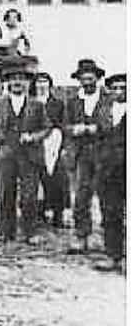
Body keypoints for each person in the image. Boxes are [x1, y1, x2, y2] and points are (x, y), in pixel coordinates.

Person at [0, 65, 53, 245]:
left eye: (21, 78)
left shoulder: (37, 104)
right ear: (7, 82)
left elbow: (47, 128)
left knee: (29, 196)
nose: (17, 82)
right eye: (13, 78)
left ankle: (30, 232)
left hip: (30, 156)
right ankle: (8, 233)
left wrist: (33, 137)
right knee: (6, 193)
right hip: (6, 155)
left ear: (27, 82)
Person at [65, 59, 113, 254]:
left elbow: (116, 124)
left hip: (105, 153)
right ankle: (81, 235)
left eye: (90, 77)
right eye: (83, 78)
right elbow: (64, 125)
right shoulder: (73, 101)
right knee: (81, 196)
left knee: (106, 196)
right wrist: (74, 129)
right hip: (82, 154)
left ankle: (109, 239)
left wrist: (98, 128)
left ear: (97, 78)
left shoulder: (109, 99)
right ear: (79, 80)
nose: (87, 81)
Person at [95, 73, 126, 272]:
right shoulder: (103, 111)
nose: (119, 92)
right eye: (114, 88)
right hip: (108, 169)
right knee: (110, 212)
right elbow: (98, 137)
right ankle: (113, 255)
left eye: (123, 87)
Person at [31, 72, 66, 228]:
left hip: (53, 142)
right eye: (39, 82)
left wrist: (62, 146)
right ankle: (39, 212)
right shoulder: (30, 102)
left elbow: (63, 125)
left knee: (55, 178)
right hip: (35, 144)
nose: (42, 85)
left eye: (45, 82)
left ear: (49, 85)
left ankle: (58, 214)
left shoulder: (57, 103)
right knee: (36, 179)